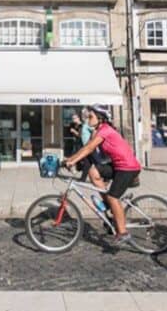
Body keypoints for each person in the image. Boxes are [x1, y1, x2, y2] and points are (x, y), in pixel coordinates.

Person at [63, 104, 141, 246]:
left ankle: (123, 232)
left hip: (128, 167)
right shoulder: (98, 131)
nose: (88, 119)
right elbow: (88, 149)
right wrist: (71, 159)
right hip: (118, 165)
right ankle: (109, 205)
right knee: (93, 171)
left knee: (113, 196)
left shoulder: (105, 130)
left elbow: (89, 147)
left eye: (91, 116)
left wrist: (72, 160)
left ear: (100, 118)